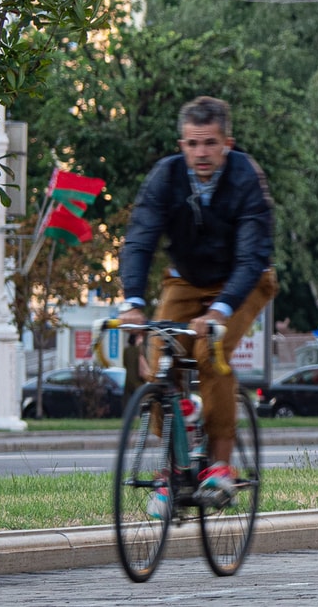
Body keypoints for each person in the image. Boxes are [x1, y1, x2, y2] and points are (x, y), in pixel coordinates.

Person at [118, 96, 278, 507]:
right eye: (192, 144)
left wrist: (220, 310)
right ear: (181, 144)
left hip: (244, 280)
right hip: (186, 279)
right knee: (160, 351)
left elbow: (250, 256)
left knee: (212, 350)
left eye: (209, 143)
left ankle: (220, 467)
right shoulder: (166, 177)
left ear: (228, 142)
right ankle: (173, 466)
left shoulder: (246, 177)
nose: (201, 153)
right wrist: (133, 302)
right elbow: (139, 239)